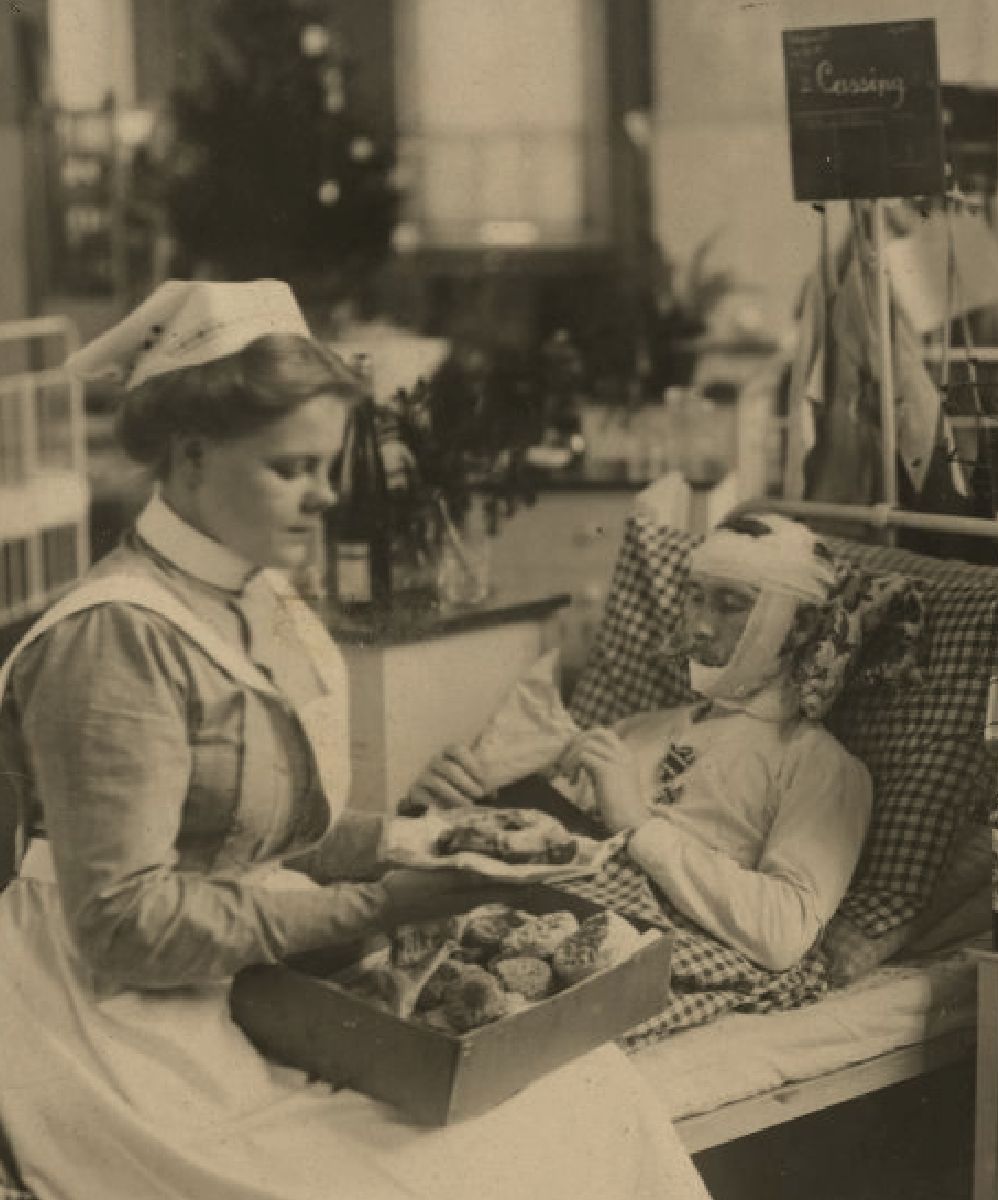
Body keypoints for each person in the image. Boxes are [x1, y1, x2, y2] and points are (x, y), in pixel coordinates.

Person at [0, 280, 710, 1200]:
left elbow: (258, 832)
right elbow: (125, 927)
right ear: (190, 456)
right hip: (113, 1029)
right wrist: (379, 907)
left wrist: (423, 842)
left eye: (327, 466)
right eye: (290, 469)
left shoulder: (254, 597)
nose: (324, 496)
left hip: (238, 980)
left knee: (587, 1092)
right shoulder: (118, 640)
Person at [415, 511, 873, 976]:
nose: (699, 627)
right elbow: (535, 851)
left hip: (641, 958)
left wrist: (638, 824)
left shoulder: (818, 764)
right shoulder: (637, 731)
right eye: (695, 598)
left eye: (731, 604)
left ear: (797, 626)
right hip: (529, 925)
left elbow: (784, 934)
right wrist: (455, 806)